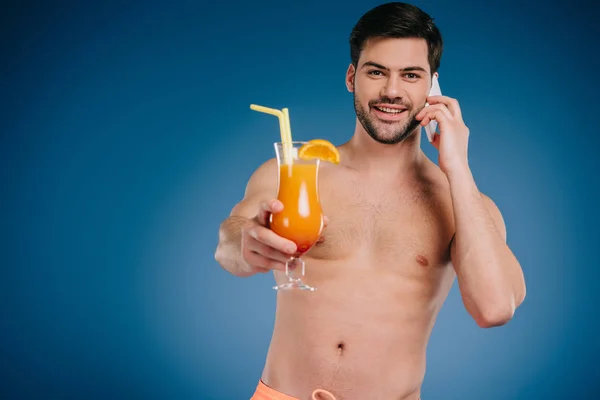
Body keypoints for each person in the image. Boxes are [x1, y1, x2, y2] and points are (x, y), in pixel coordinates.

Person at [214, 2, 526, 399]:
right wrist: (246, 243)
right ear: (351, 77)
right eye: (376, 71)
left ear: (432, 87)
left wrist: (457, 168)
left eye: (410, 75)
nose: (391, 91)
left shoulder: (463, 203)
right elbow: (228, 246)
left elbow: (495, 308)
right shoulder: (293, 170)